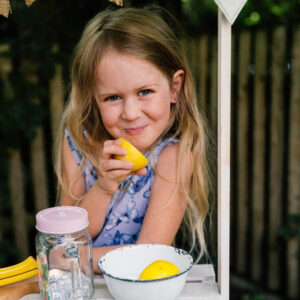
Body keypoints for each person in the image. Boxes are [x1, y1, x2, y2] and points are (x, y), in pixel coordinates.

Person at [54, 6, 212, 273]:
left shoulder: (173, 156)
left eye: (145, 91)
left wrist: (71, 259)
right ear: (94, 97)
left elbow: (151, 252)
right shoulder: (77, 141)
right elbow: (67, 235)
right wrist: (103, 187)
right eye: (113, 97)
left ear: (174, 88)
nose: (130, 113)